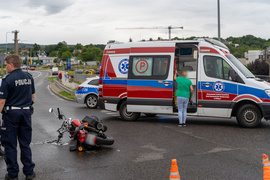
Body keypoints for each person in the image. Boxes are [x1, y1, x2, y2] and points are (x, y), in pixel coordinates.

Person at [0, 55, 35, 180]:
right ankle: (29, 172)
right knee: (25, 144)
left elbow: (2, 101)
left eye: (6, 64)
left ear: (12, 64)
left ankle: (13, 174)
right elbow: (32, 97)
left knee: (10, 145)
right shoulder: (29, 77)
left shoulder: (7, 80)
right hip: (26, 113)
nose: (5, 67)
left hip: (11, 115)